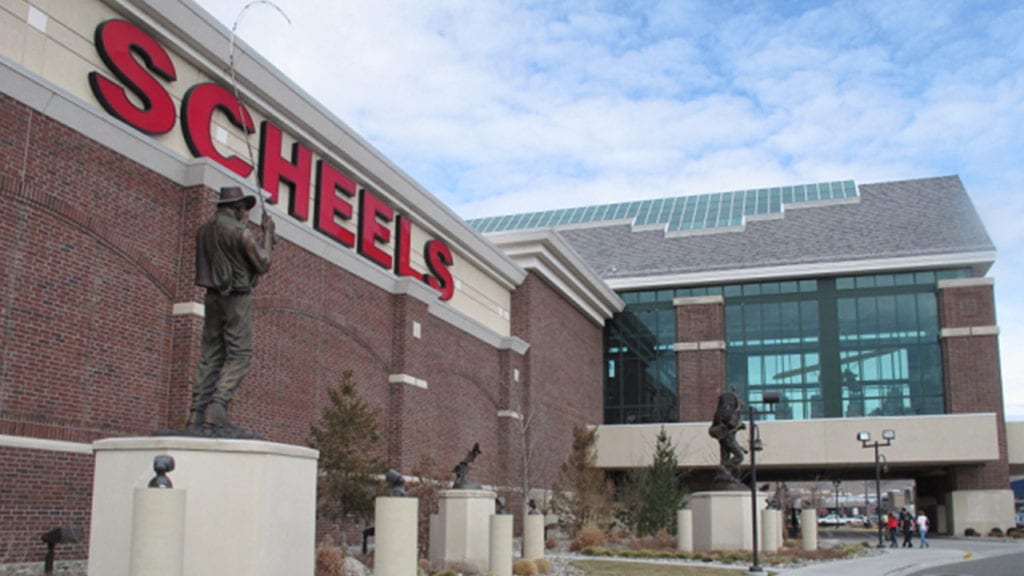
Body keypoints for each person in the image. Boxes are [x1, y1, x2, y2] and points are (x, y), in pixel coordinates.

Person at [187, 186, 274, 437]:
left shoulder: (204, 230)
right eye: (243, 210)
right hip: (236, 297)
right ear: (236, 208)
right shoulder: (240, 232)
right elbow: (263, 262)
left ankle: (196, 413)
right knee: (240, 353)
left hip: (213, 297)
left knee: (211, 354)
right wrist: (267, 234)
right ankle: (217, 406)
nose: (244, 214)